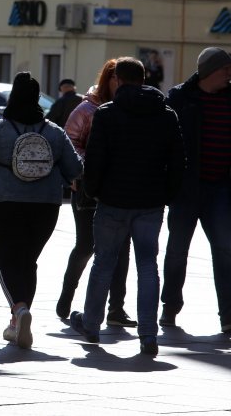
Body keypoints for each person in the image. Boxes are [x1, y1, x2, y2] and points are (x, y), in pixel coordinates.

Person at [70, 57, 184, 357]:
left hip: (113, 201)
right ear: (144, 79)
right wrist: (167, 195)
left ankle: (92, 326)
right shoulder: (166, 115)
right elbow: (177, 162)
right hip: (150, 202)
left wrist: (92, 192)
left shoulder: (107, 113)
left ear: (117, 80)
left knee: (104, 262)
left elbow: (95, 159)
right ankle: (148, 334)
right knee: (148, 265)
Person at [0, 72, 82, 349]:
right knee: (28, 261)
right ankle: (19, 319)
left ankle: (19, 311)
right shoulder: (54, 131)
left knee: (6, 260)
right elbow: (76, 169)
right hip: (46, 205)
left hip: (3, 201)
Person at [55, 60, 136, 329]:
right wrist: (89, 166)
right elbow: (69, 143)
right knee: (86, 245)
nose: (120, 86)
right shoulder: (87, 109)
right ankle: (66, 297)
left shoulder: (129, 109)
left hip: (119, 189)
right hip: (88, 188)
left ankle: (117, 308)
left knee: (122, 249)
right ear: (108, 81)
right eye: (116, 80)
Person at [160, 47, 231, 333]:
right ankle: (170, 308)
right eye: (226, 70)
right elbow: (165, 142)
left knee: (226, 251)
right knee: (177, 250)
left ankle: (227, 315)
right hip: (186, 189)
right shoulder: (180, 98)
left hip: (222, 189)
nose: (229, 75)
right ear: (210, 71)